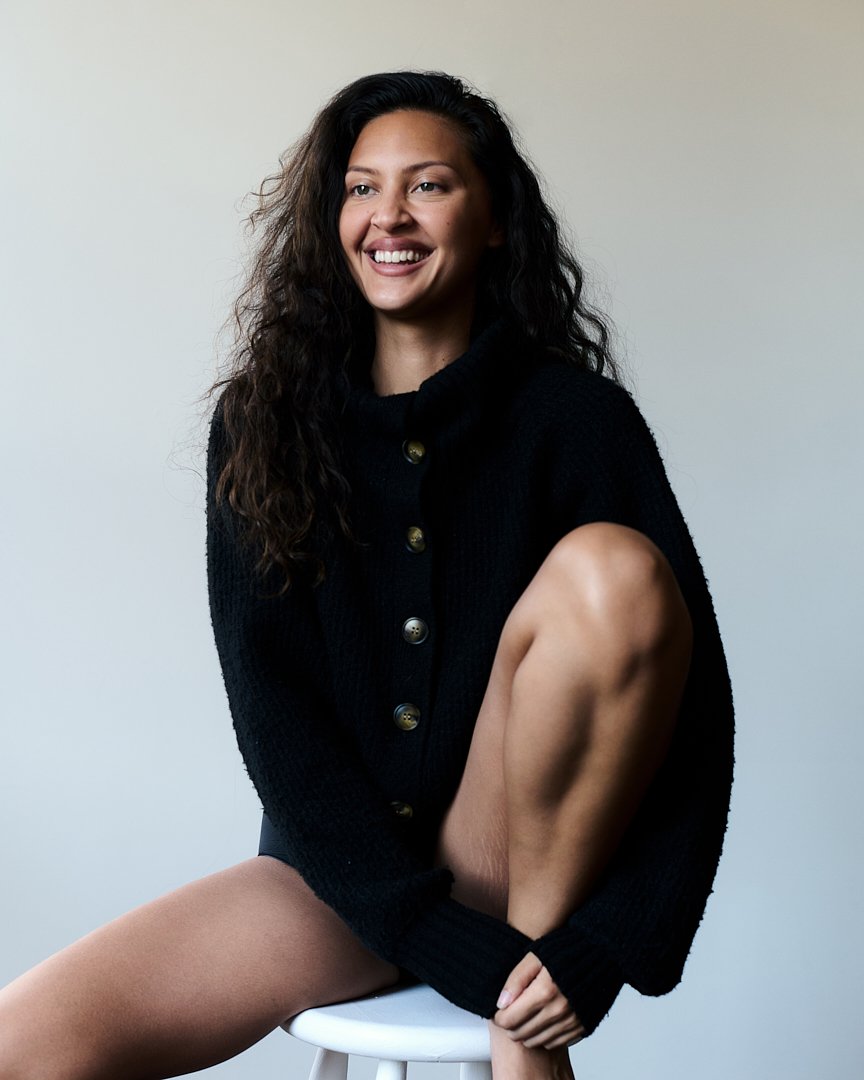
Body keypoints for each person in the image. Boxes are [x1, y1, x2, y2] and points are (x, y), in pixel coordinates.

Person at [0, 71, 733, 1080]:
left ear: (495, 223)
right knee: (19, 1048)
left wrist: (602, 946)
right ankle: (507, 997)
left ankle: (521, 1030)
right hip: (333, 879)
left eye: (428, 185)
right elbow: (278, 720)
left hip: (510, 862)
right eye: (359, 188)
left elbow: (691, 716)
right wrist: (432, 937)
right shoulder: (263, 423)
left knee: (613, 572)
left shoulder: (573, 422)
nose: (388, 213)